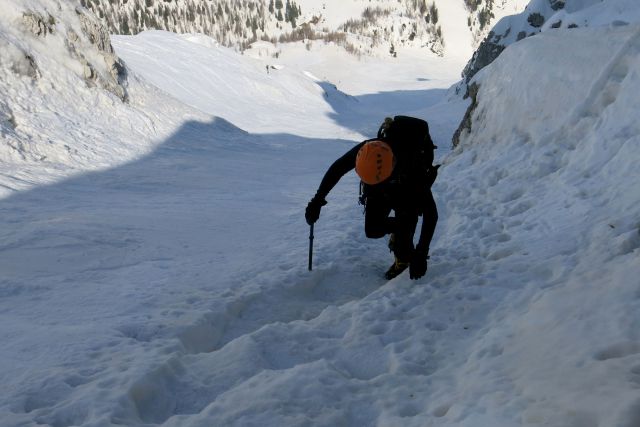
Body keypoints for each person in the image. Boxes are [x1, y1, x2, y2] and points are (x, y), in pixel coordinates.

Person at [305, 116, 439, 280]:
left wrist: (421, 253)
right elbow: (338, 168)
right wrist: (317, 200)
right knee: (372, 229)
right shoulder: (368, 150)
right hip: (380, 190)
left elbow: (431, 215)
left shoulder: (412, 168)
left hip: (406, 190)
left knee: (405, 233)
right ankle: (399, 232)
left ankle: (402, 258)